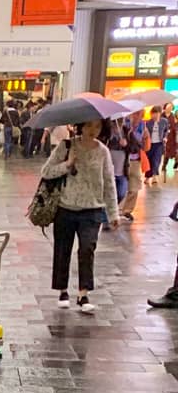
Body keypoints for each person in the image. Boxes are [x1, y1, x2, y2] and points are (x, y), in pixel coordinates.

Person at [42, 116, 119, 314]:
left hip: (92, 210)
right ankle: (63, 290)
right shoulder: (66, 146)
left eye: (97, 126)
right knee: (62, 249)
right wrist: (67, 165)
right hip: (65, 208)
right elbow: (46, 171)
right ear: (80, 126)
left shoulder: (103, 152)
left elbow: (109, 183)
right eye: (89, 125)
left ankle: (83, 293)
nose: (93, 129)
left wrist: (113, 213)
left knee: (87, 249)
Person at [120, 116, 146, 222]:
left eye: (140, 113)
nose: (138, 115)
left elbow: (142, 145)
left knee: (134, 187)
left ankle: (127, 210)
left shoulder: (142, 126)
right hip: (122, 160)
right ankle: (117, 209)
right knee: (120, 186)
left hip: (135, 160)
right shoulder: (120, 126)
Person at [148, 112, 167, 186]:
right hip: (150, 144)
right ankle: (147, 176)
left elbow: (166, 130)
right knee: (150, 160)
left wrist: (165, 137)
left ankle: (154, 176)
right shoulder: (148, 122)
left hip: (159, 144)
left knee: (156, 160)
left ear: (159, 114)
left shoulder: (164, 121)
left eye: (156, 113)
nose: (155, 115)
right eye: (153, 113)